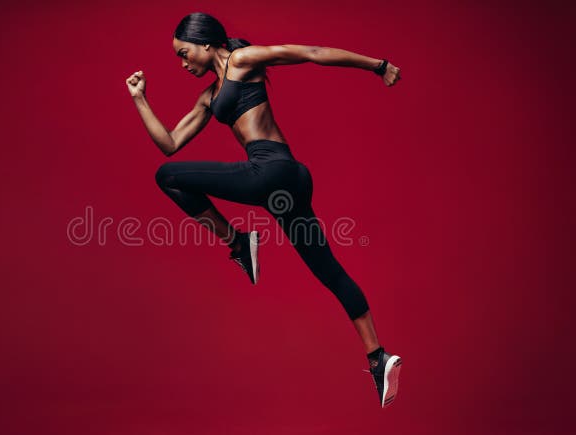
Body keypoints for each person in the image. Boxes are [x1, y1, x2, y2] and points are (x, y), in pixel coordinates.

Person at [125, 12, 403, 408]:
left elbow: (312, 52)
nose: (183, 63)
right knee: (329, 270)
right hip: (287, 184)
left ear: (206, 44)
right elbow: (170, 141)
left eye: (184, 53)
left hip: (269, 171)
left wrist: (379, 66)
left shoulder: (243, 60)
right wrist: (140, 99)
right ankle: (379, 359)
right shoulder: (209, 96)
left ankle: (239, 244)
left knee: (167, 176)